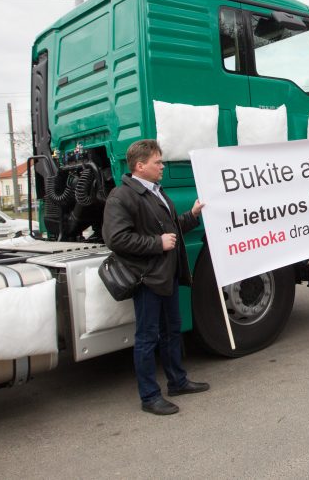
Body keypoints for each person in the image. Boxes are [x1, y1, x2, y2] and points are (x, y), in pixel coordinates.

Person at [103, 139, 209, 415]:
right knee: (147, 337)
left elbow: (172, 230)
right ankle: (149, 396)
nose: (162, 166)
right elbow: (116, 239)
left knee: (173, 331)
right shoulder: (122, 196)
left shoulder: (156, 191)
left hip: (167, 276)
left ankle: (178, 381)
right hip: (148, 279)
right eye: (157, 162)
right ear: (140, 166)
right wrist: (156, 243)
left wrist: (193, 214)